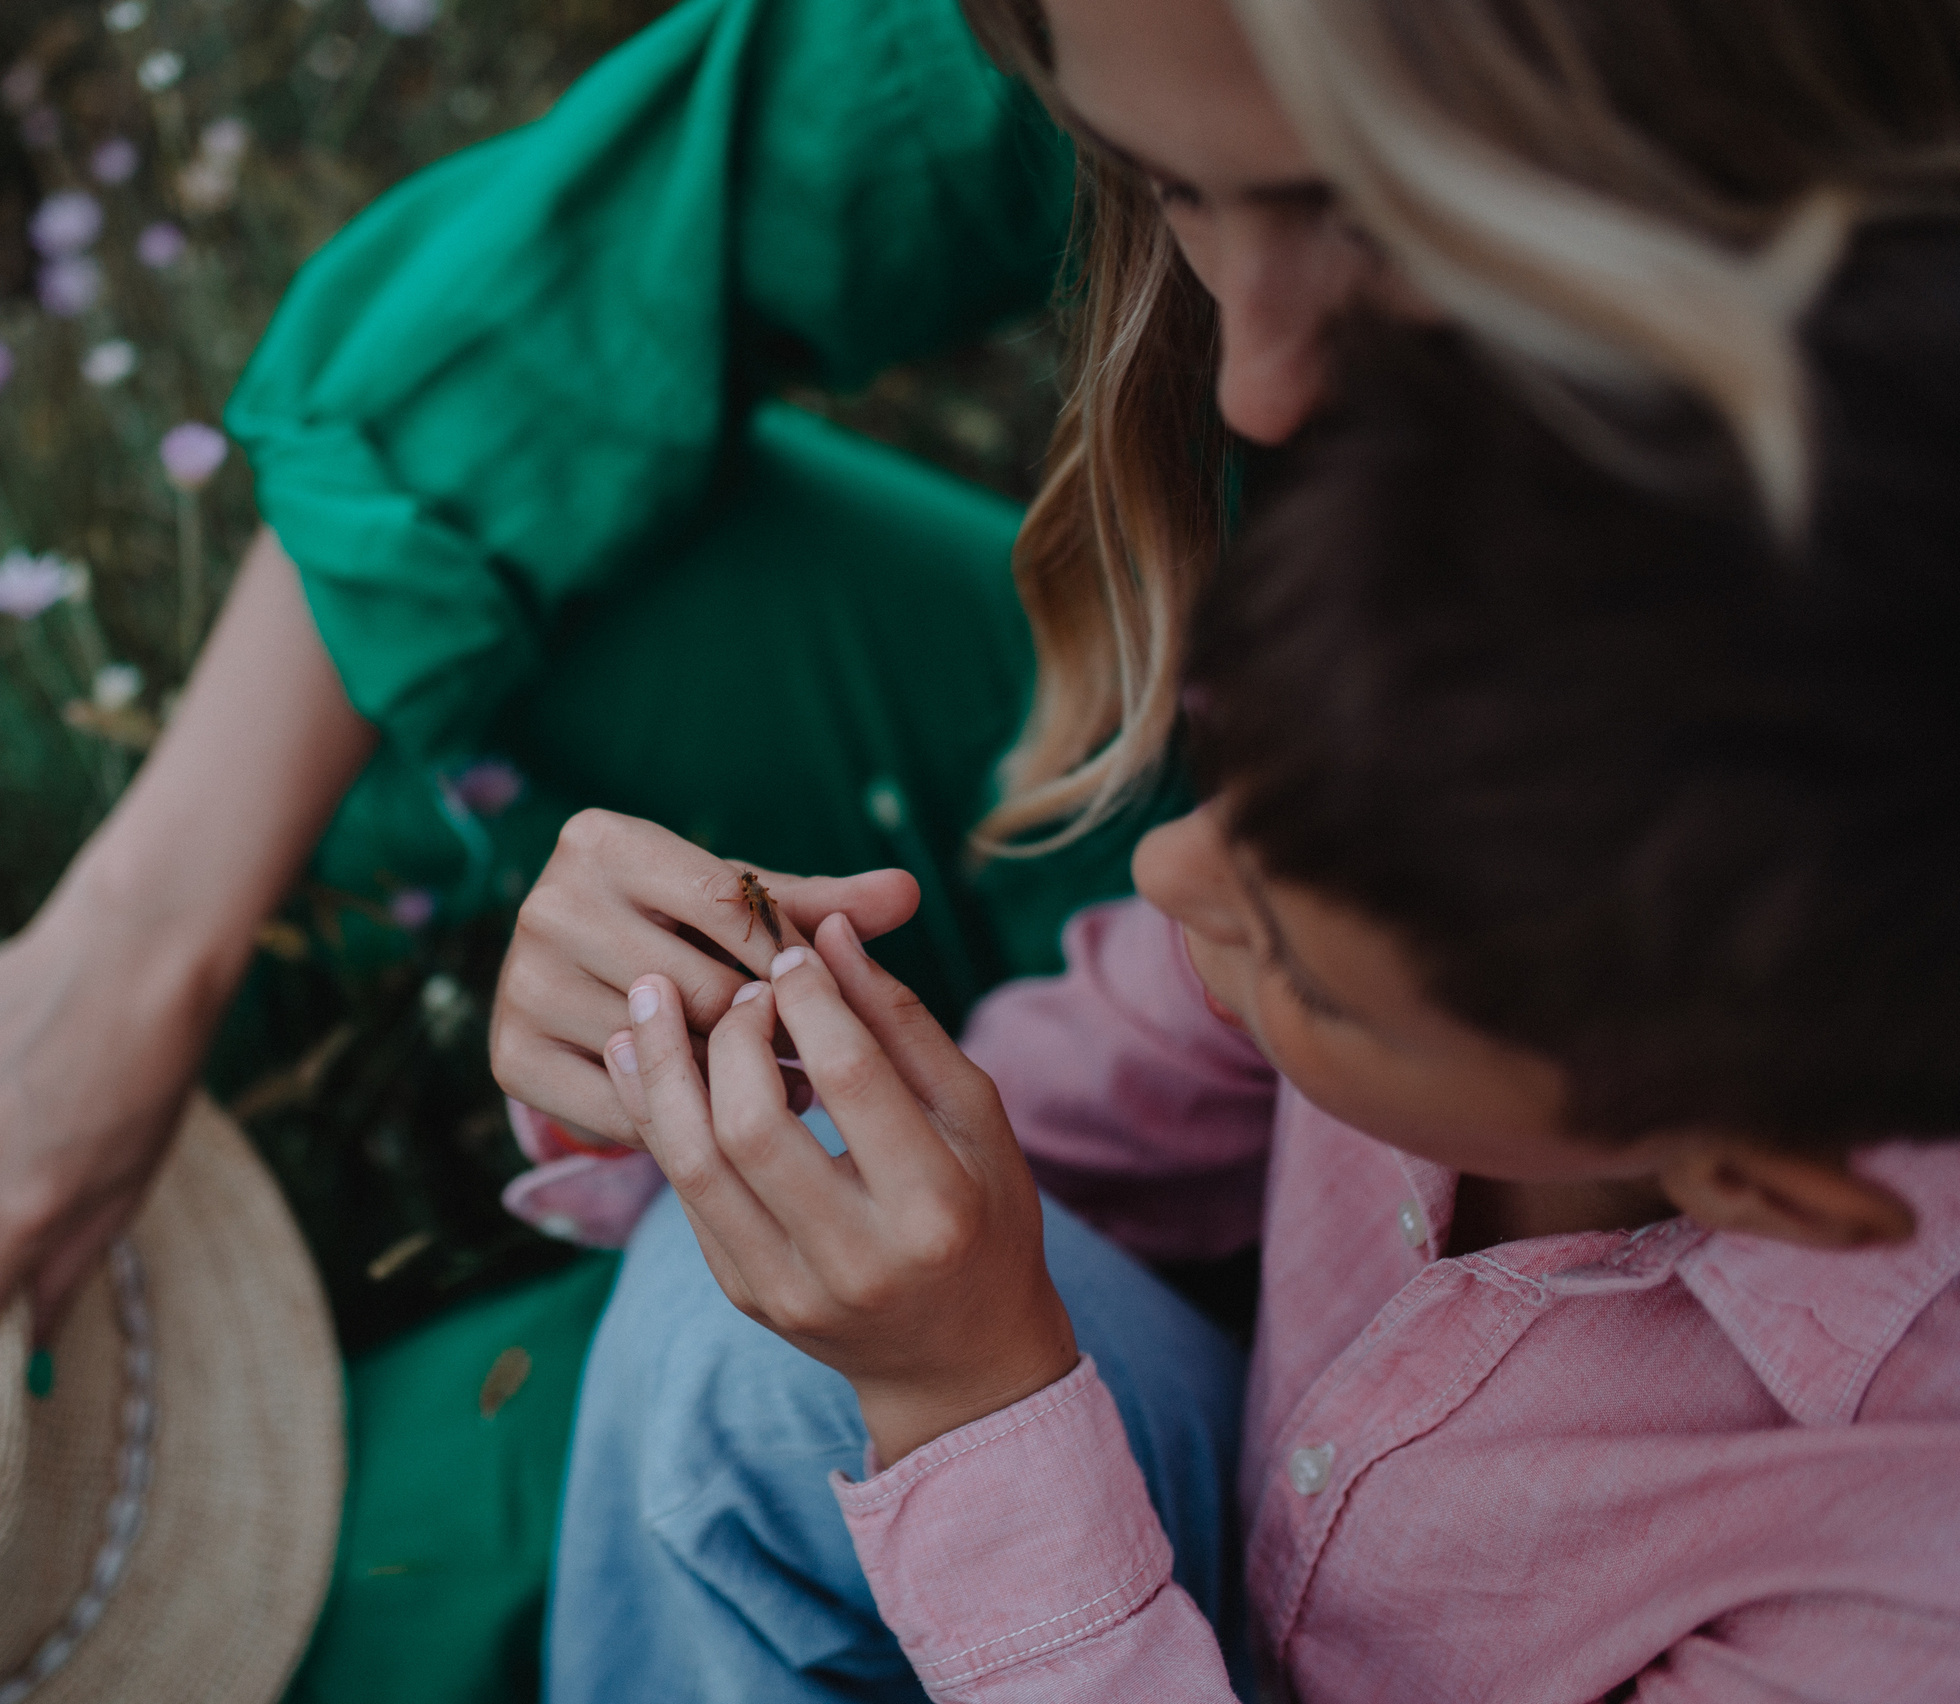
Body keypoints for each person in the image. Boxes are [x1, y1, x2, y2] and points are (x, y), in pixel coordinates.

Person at [0, 0, 1960, 1429]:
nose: (1253, 388)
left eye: (1366, 218)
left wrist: (966, 1390)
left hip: (1608, 1046)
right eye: (1168, 193)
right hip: (1301, 1006)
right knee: (461, 638)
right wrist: (135, 949)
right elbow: (587, 283)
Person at [573, 226, 1960, 1699]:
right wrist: (717, 1050)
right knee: (731, 1345)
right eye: (1236, 781)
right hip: (1192, 1545)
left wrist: (967, 1401)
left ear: (1749, 1178)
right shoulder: (1449, 813)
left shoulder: (1897, 1598)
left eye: (1302, 963)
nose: (1172, 878)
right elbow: (1046, 1119)